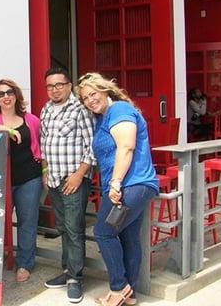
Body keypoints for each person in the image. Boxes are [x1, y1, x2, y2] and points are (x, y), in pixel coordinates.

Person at [76, 72, 159, 306]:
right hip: (129, 186)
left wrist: (115, 183)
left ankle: (118, 287)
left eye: (93, 94)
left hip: (131, 184)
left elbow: (126, 147)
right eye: (85, 98)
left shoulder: (119, 109)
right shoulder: (102, 117)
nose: (90, 100)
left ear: (105, 90)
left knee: (103, 232)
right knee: (128, 236)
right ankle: (129, 294)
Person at [40, 67, 95, 304]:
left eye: (59, 85)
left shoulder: (80, 108)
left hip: (72, 180)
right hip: (53, 179)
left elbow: (92, 146)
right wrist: (44, 171)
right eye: (50, 86)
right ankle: (67, 271)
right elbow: (43, 143)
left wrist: (79, 175)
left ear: (68, 85)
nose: (54, 89)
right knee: (63, 227)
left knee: (74, 229)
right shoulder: (45, 109)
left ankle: (75, 278)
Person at [0, 79, 42, 283]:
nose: (5, 97)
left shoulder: (31, 119)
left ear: (16, 95)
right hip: (0, 181)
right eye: (0, 94)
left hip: (29, 177)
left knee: (27, 221)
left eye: (9, 92)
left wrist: (46, 171)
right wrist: (5, 130)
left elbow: (40, 146)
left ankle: (24, 263)